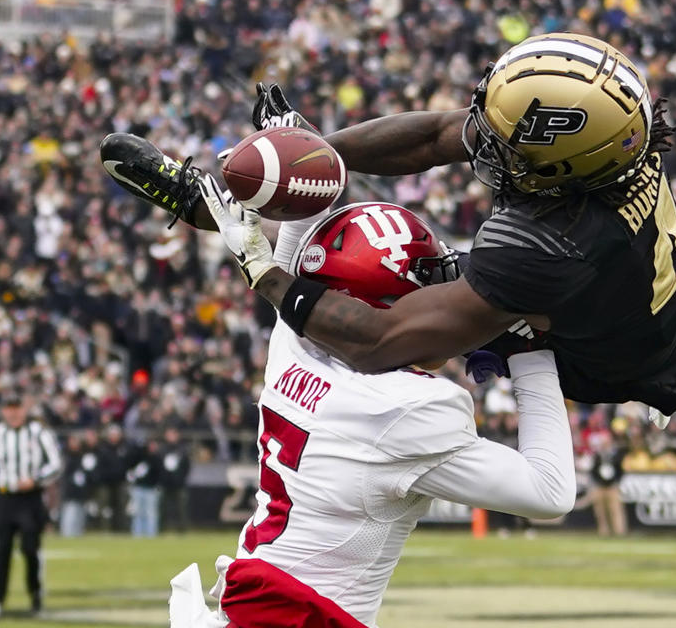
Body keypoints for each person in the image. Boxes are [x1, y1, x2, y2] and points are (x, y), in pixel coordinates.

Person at [100, 32, 676, 421]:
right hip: (662, 280)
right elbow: (435, 135)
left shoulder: (555, 243)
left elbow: (380, 343)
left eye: (506, 149)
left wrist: (263, 271)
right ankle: (221, 203)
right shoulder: (612, 139)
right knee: (411, 261)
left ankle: (224, 215)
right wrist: (312, 155)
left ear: (562, 170)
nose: (481, 147)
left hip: (623, 355)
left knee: (379, 267)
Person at [169, 198, 574, 628]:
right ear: (383, 304)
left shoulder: (293, 346)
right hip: (303, 618)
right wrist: (533, 353)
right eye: (429, 290)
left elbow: (297, 256)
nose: (444, 304)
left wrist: (288, 157)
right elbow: (549, 493)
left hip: (258, 605)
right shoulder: (405, 407)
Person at [0, 395, 62, 618]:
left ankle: (35, 594)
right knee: (1, 550)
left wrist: (35, 480)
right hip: (4, 499)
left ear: (24, 410)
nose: (13, 413)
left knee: (29, 548)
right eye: (9, 408)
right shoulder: (0, 433)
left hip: (29, 498)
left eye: (17, 408)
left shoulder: (37, 432)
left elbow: (55, 463)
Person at [59, 432, 98, 538]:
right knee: (70, 512)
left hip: (82, 491)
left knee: (80, 514)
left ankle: (77, 534)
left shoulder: (83, 455)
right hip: (70, 490)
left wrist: (86, 471)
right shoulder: (65, 455)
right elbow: (63, 471)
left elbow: (91, 473)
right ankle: (67, 534)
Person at [96, 424, 131, 532]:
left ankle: (122, 530)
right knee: (105, 508)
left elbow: (129, 463)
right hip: (105, 482)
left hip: (120, 481)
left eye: (116, 434)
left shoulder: (124, 447)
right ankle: (105, 529)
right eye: (113, 434)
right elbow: (100, 466)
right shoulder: (103, 448)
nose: (115, 436)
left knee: (121, 507)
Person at [158, 426, 191, 533]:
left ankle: (182, 530)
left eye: (173, 434)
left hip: (179, 484)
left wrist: (181, 479)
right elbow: (157, 466)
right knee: (162, 508)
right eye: (169, 434)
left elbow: (187, 467)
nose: (171, 437)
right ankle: (161, 529)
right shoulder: (162, 450)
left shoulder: (182, 450)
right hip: (165, 484)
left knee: (181, 509)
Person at [128, 437, 162, 538]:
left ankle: (151, 534)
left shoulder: (157, 458)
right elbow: (131, 462)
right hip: (138, 488)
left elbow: (159, 472)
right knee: (138, 512)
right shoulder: (140, 456)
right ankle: (137, 533)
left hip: (151, 489)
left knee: (151, 512)